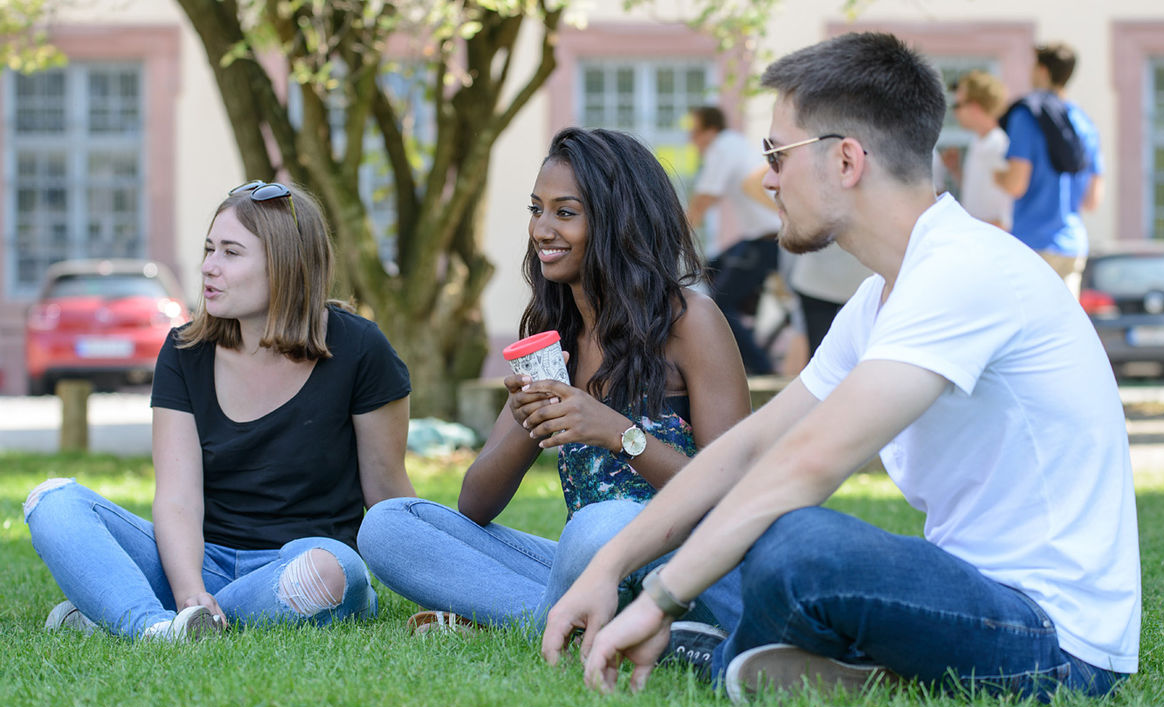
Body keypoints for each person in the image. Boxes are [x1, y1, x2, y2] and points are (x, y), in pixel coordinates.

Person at [542, 32, 1140, 704]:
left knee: (797, 542)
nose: (766, 178)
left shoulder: (966, 271)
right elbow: (748, 449)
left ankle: (752, 652)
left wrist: (656, 599)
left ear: (847, 160)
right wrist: (611, 565)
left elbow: (804, 466)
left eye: (777, 154)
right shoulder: (882, 294)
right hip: (958, 599)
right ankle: (816, 664)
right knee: (675, 525)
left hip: (1052, 642)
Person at [358, 127, 750, 635]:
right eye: (536, 209)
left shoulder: (690, 322)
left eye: (565, 213)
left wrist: (617, 434)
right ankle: (566, 621)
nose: (542, 229)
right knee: (390, 524)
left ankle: (548, 620)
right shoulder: (554, 334)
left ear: (617, 221)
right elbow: (473, 505)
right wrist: (528, 420)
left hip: (680, 564)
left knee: (598, 525)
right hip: (583, 565)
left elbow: (731, 495)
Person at [24, 181, 415, 640]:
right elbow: (177, 498)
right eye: (209, 249)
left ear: (286, 264)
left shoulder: (360, 349)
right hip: (198, 559)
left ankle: (127, 611)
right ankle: (155, 627)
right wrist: (190, 589)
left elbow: (388, 495)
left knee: (337, 570)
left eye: (231, 253)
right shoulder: (185, 350)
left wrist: (447, 587)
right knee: (53, 501)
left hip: (299, 566)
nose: (208, 267)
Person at [995, 42, 1103, 297]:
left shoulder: (1027, 116)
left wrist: (996, 176)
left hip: (1032, 243)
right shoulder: (1084, 122)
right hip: (1072, 245)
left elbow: (1016, 183)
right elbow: (1092, 200)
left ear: (1043, 71)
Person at [687, 106, 783, 375]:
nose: (691, 140)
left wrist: (671, 236)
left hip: (770, 239)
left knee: (719, 303)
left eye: (694, 133)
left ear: (710, 131)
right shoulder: (733, 146)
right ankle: (746, 323)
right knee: (709, 270)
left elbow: (704, 199)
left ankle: (761, 368)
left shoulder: (724, 146)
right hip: (758, 237)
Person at [741, 164, 874, 357]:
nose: (770, 181)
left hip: (850, 275)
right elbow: (752, 184)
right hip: (820, 276)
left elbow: (752, 183)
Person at [942, 70, 1014, 230]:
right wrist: (955, 170)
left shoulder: (998, 145)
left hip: (990, 241)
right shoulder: (979, 141)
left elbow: (1005, 213)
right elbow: (980, 192)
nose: (955, 112)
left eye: (958, 105)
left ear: (974, 107)